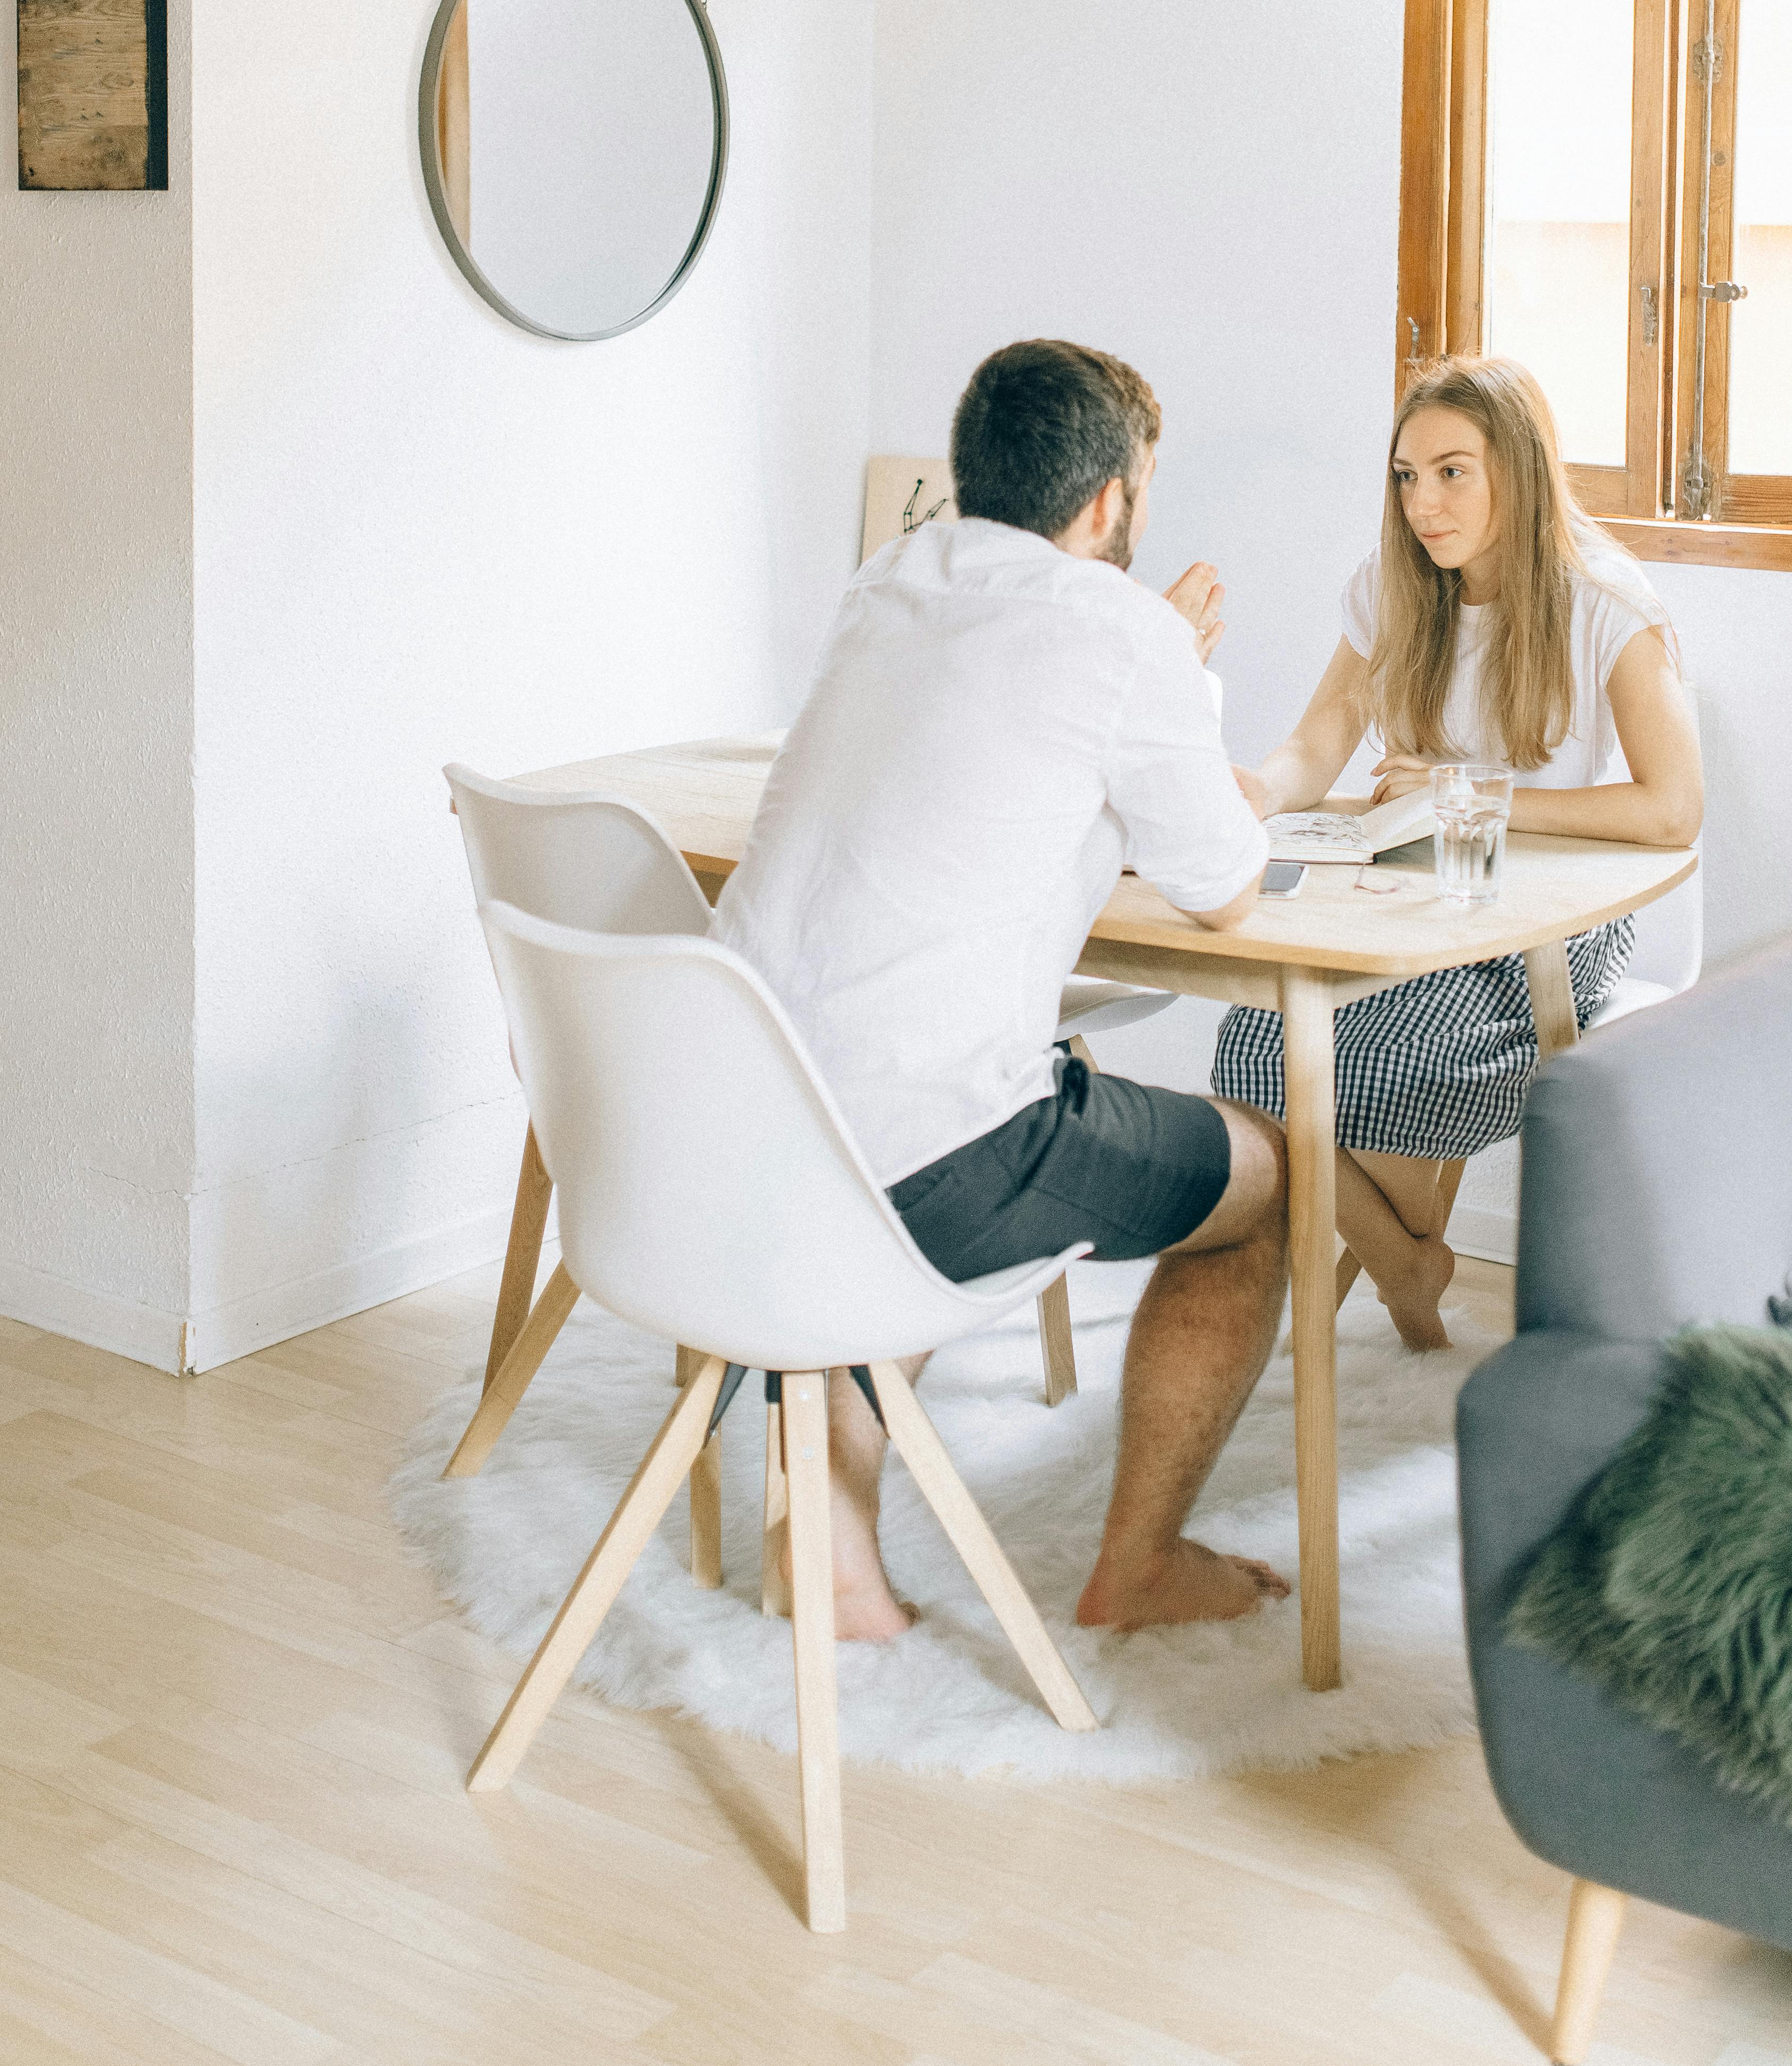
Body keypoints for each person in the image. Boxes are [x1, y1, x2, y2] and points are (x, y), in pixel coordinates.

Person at [714, 338, 1289, 1641]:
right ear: (1107, 501)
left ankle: (833, 1549)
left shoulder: (884, 584)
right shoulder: (1124, 628)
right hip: (933, 1156)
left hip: (747, 1143)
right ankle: (1136, 1564)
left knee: (887, 1127)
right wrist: (1183, 666)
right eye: (1143, 483)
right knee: (1269, 1179)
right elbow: (1225, 885)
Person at [1212, 354, 1702, 1354]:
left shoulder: (1606, 598)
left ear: (1516, 470)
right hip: (1423, 902)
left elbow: (1673, 809)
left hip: (1556, 921)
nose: (1423, 503)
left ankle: (1403, 1269)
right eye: (1406, 475)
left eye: (1452, 471)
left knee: (1383, 1062)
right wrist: (1254, 788)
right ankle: (1409, 1267)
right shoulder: (1393, 589)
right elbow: (1320, 740)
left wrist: (1470, 795)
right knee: (1250, 1048)